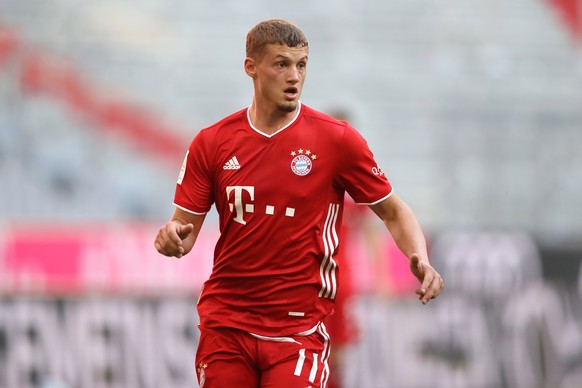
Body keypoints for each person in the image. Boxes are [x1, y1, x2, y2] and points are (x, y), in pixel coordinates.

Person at [154, 18, 444, 388]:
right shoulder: (212, 142)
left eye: (301, 64)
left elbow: (392, 210)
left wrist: (418, 255)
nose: (294, 75)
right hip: (226, 324)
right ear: (251, 67)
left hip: (298, 329)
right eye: (281, 64)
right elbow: (184, 232)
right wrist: (171, 238)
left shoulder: (336, 141)